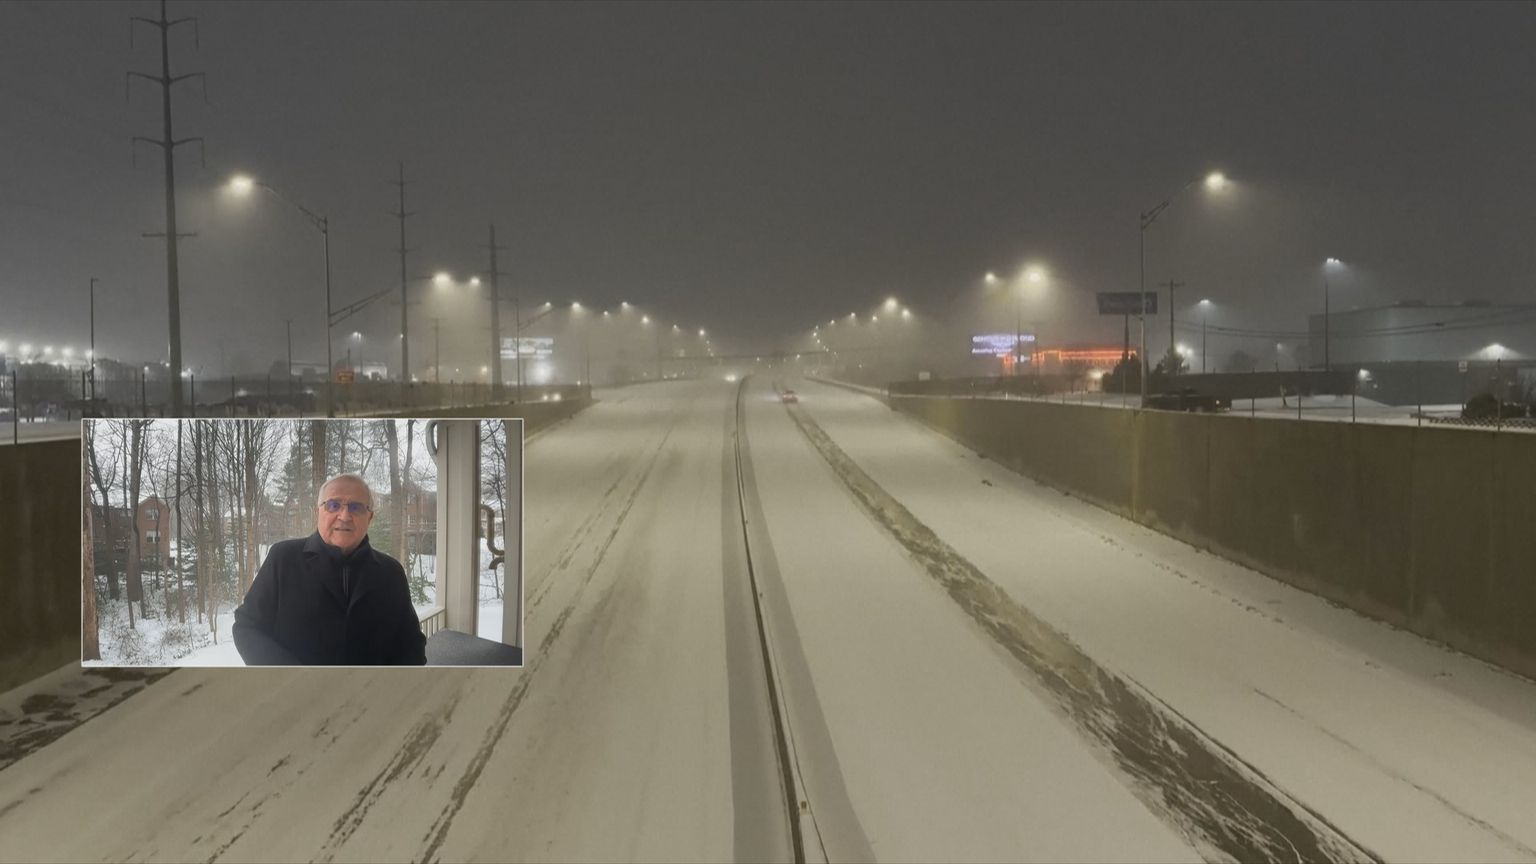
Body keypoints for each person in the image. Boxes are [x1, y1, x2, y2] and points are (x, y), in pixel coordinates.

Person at [233, 473, 426, 666]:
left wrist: (386, 683)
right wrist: (292, 676)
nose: (344, 516)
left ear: (370, 517)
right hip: (294, 685)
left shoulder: (391, 573)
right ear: (317, 512)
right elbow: (247, 626)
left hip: (371, 686)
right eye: (333, 505)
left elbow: (411, 645)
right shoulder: (283, 559)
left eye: (356, 507)